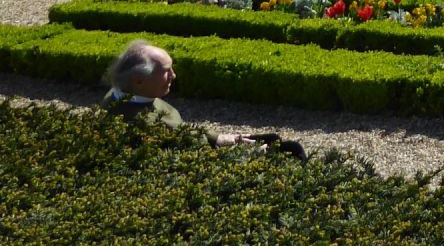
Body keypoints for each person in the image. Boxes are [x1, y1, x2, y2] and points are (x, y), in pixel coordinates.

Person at [101, 40, 306, 160]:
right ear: (138, 80)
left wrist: (217, 137)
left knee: (273, 139)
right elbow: (184, 154)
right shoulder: (137, 121)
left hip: (202, 147)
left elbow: (181, 130)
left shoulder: (130, 94)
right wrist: (241, 154)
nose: (173, 75)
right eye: (166, 71)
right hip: (202, 162)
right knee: (293, 151)